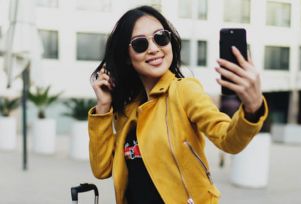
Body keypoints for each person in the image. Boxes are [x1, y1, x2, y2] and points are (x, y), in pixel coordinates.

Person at [88, 5, 268, 204]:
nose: (154, 49)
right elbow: (102, 168)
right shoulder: (127, 111)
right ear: (126, 57)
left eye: (160, 37)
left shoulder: (184, 91)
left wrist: (253, 109)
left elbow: (228, 140)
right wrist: (103, 106)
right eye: (140, 44)